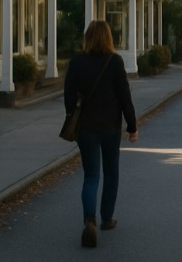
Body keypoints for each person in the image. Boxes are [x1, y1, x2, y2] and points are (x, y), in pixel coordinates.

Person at [64, 20, 138, 248]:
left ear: (87, 38)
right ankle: (107, 218)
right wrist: (132, 126)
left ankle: (89, 220)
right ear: (108, 38)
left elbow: (68, 97)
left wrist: (72, 116)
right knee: (111, 172)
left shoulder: (76, 63)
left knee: (91, 175)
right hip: (110, 127)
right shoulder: (114, 62)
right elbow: (125, 96)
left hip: (86, 128)